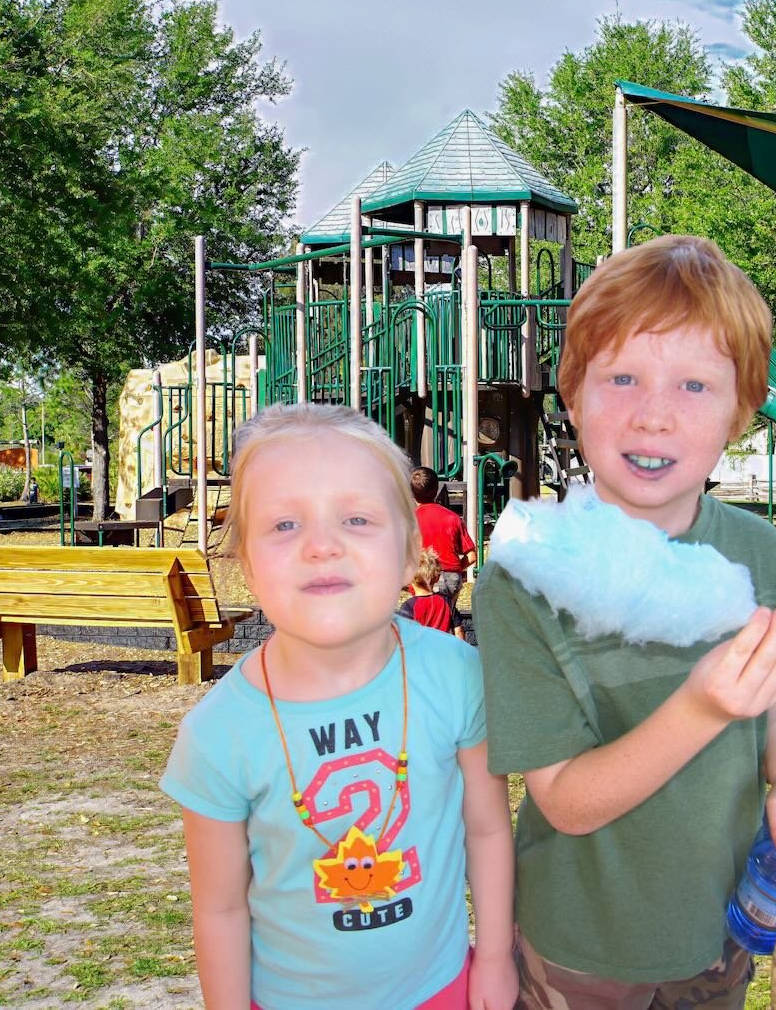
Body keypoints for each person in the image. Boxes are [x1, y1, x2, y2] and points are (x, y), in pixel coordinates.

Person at [473, 234, 776, 1008]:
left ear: (741, 411)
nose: (654, 415)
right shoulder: (522, 577)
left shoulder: (760, 555)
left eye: (694, 386)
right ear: (571, 396)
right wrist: (702, 705)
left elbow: (757, 705)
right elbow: (564, 799)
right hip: (584, 948)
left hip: (721, 933)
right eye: (621, 377)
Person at [159, 403, 515, 1010]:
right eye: (284, 525)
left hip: (444, 989)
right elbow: (219, 908)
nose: (322, 545)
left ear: (410, 554)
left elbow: (486, 829)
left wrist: (499, 957)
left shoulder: (457, 675)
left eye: (356, 517)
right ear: (245, 560)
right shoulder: (217, 734)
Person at [408, 466, 475, 619]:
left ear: (411, 493)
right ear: (436, 488)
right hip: (451, 577)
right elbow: (471, 556)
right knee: (447, 619)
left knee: (424, 622)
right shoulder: (452, 518)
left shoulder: (409, 520)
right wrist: (457, 569)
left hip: (422, 577)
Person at [399, 548, 457, 636]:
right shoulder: (447, 602)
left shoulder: (409, 606)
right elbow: (458, 630)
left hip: (421, 649)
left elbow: (405, 635)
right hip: (443, 648)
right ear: (437, 578)